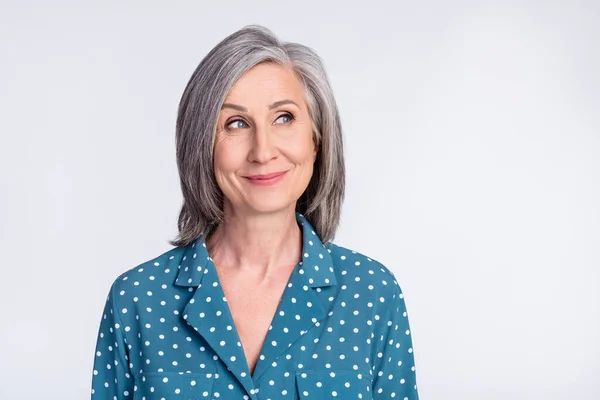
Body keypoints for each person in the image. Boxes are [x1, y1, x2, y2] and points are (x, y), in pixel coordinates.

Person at [91, 25, 419, 400]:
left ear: (317, 139)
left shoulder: (372, 293)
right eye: (236, 123)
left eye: (284, 118)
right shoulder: (137, 299)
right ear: (202, 146)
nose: (263, 151)